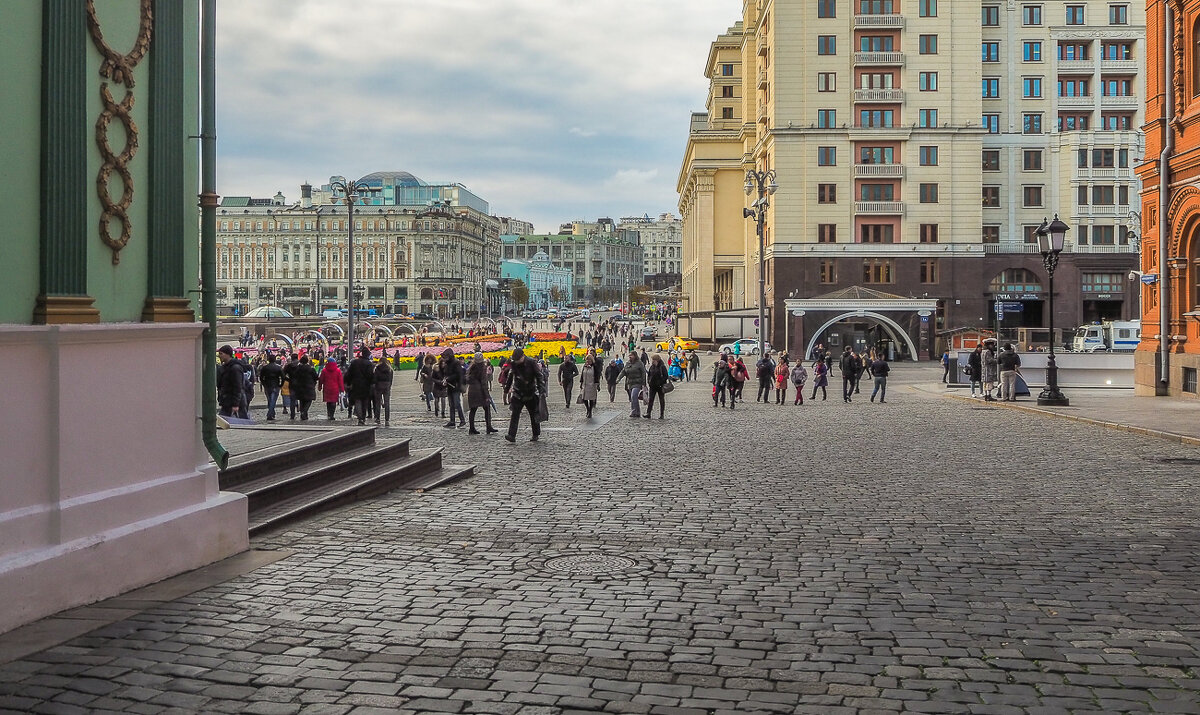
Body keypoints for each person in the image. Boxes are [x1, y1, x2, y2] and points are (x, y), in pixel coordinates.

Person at [503, 348, 542, 442]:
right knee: (515, 414)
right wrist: (507, 389)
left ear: (523, 356)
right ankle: (511, 435)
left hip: (530, 392)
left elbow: (539, 376)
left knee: (533, 414)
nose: (517, 362)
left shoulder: (531, 362)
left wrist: (542, 390)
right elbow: (510, 376)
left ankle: (535, 434)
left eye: (518, 359)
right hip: (518, 392)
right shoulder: (514, 364)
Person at [466, 352, 497, 435]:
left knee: (473, 410)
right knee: (487, 409)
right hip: (480, 391)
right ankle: (488, 427)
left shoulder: (471, 367)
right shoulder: (483, 367)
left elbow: (467, 379)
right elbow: (484, 382)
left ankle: (471, 428)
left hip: (472, 390)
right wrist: (487, 395)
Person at [344, 348, 376, 426]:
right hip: (365, 386)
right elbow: (370, 376)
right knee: (364, 402)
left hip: (355, 385)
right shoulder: (368, 364)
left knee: (357, 401)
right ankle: (363, 418)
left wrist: (348, 383)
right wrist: (372, 383)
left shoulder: (355, 362)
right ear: (367, 355)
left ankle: (360, 418)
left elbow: (349, 374)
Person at [216, 345, 245, 418]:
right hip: (227, 401)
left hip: (233, 402)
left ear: (227, 354)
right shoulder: (225, 367)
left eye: (221, 353)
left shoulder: (235, 368)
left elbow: (238, 387)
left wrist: (235, 404)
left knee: (239, 423)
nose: (219, 356)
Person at [440, 350, 466, 428]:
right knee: (451, 404)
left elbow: (458, 374)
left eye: (445, 357)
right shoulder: (447, 364)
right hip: (449, 386)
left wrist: (448, 379)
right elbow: (445, 373)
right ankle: (452, 421)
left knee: (457, 404)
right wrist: (445, 378)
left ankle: (462, 420)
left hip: (455, 386)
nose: (444, 359)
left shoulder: (456, 363)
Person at [620, 352, 648, 418]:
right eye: (629, 355)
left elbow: (643, 373)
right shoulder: (628, 363)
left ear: (635, 356)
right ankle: (637, 412)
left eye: (631, 355)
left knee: (633, 396)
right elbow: (623, 371)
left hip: (637, 383)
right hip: (630, 383)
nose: (630, 356)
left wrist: (644, 383)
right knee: (633, 398)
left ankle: (633, 411)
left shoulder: (639, 363)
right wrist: (618, 379)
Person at [290, 356, 318, 420]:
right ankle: (304, 412)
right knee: (308, 400)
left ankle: (303, 413)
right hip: (309, 386)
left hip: (300, 387)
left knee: (302, 400)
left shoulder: (297, 369)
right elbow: (316, 377)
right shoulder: (311, 369)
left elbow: (294, 377)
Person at [258, 352, 283, 421]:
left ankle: (271, 413)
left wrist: (264, 384)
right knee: (273, 400)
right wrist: (281, 385)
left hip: (267, 385)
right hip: (275, 385)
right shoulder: (278, 367)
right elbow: (283, 377)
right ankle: (270, 413)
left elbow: (261, 377)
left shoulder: (265, 368)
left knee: (270, 400)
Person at [372, 353, 393, 426]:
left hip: (379, 386)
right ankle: (387, 419)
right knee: (387, 403)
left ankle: (377, 418)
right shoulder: (389, 368)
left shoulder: (377, 368)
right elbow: (391, 379)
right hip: (387, 386)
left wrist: (375, 385)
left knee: (378, 403)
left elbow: (375, 378)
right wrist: (389, 386)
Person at [645, 354, 668, 419]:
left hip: (660, 386)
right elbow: (649, 374)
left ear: (656, 360)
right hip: (652, 386)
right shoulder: (652, 367)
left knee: (661, 400)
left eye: (653, 360)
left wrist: (660, 382)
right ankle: (648, 413)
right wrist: (648, 381)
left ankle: (662, 414)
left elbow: (665, 376)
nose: (652, 361)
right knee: (651, 400)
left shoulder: (662, 367)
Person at [580, 352, 601, 418]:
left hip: (592, 384)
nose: (588, 361)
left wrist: (597, 384)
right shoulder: (584, 366)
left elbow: (597, 375)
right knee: (584, 399)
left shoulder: (594, 367)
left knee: (591, 398)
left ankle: (590, 411)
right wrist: (581, 383)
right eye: (587, 360)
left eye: (589, 360)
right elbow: (582, 375)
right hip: (585, 384)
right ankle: (588, 409)